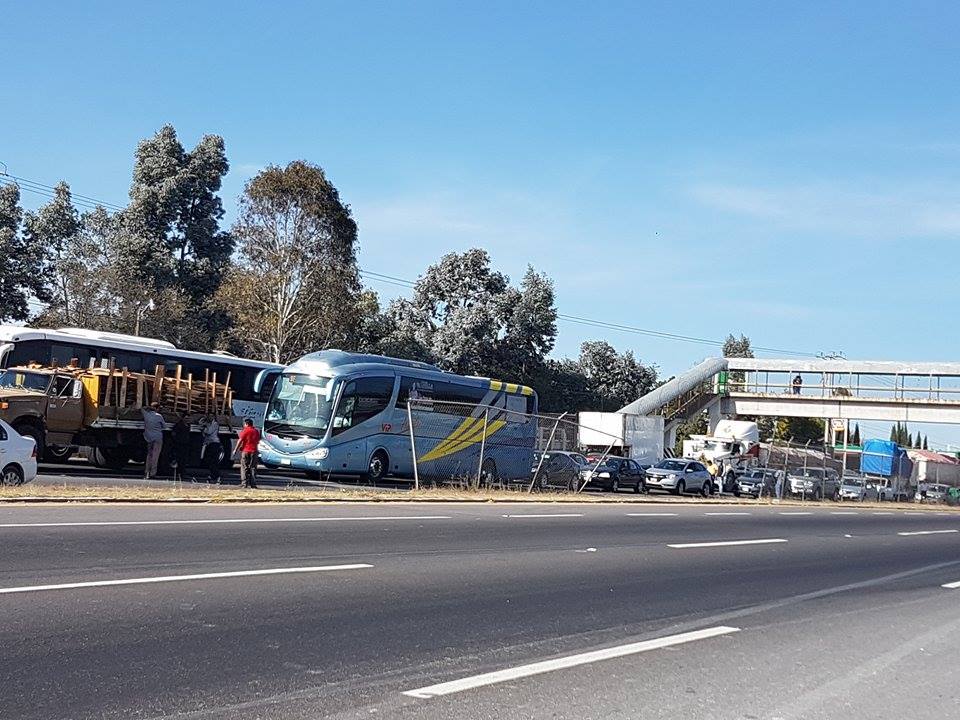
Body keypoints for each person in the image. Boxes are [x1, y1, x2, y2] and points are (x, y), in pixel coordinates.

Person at [234, 418, 261, 489]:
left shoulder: (245, 431)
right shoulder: (256, 431)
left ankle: (244, 483)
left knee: (244, 467)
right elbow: (258, 440)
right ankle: (253, 484)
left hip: (246, 451)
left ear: (246, 424)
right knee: (253, 468)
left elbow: (240, 440)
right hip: (254, 451)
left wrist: (235, 450)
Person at [141, 403, 164, 479]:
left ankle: (146, 471)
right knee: (155, 456)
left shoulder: (146, 414)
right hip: (157, 438)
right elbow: (164, 426)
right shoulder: (159, 416)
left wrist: (148, 407)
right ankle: (152, 473)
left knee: (149, 455)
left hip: (148, 437)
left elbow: (142, 408)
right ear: (157, 409)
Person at [200, 414, 221, 484]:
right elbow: (200, 423)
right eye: (209, 416)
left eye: (211, 416)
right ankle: (213, 475)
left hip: (214, 443)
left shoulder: (215, 424)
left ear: (214, 417)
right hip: (209, 444)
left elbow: (208, 432)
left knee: (213, 461)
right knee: (208, 460)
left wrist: (204, 428)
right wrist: (204, 418)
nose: (210, 417)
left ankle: (216, 476)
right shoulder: (208, 423)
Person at [171, 412, 191, 482]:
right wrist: (177, 440)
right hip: (179, 444)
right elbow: (173, 433)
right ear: (182, 418)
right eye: (186, 418)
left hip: (186, 444)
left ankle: (182, 473)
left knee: (184, 460)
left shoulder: (188, 425)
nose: (187, 419)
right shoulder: (178, 425)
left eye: (188, 418)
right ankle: (179, 473)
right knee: (179, 459)